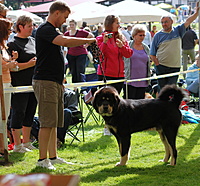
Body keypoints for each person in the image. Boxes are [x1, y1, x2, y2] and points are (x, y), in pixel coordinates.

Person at [32, 1, 96, 170]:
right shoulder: (45, 29)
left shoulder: (52, 30)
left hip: (54, 82)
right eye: (65, 17)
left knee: (53, 122)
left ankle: (53, 157)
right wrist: (88, 39)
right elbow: (66, 42)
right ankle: (41, 160)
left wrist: (60, 80)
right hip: (45, 81)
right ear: (57, 13)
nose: (65, 21)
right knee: (46, 122)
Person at [150, 2, 199, 91]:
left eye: (166, 22)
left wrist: (196, 12)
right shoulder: (157, 35)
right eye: (162, 22)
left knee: (171, 91)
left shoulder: (178, 30)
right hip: (161, 67)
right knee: (162, 91)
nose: (164, 24)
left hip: (175, 67)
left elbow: (188, 21)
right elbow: (152, 54)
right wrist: (158, 65)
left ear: (172, 21)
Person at [7, 15, 38, 153]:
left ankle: (26, 142)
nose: (32, 28)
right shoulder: (12, 43)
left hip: (33, 82)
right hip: (19, 84)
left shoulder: (33, 41)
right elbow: (11, 65)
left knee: (30, 111)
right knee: (18, 112)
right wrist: (29, 64)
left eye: (32, 26)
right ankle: (17, 145)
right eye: (29, 26)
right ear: (21, 27)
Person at [96, 15, 133, 94]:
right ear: (110, 24)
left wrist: (122, 47)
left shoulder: (121, 37)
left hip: (119, 75)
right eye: (117, 23)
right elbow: (98, 55)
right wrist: (104, 43)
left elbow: (128, 54)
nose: (119, 25)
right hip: (105, 75)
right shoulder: (100, 38)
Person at [0, 18, 18, 156]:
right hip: (2, 85)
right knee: (1, 116)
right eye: (9, 29)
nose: (11, 32)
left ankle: (4, 147)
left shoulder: (3, 47)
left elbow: (5, 65)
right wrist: (8, 65)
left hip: (7, 83)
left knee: (5, 117)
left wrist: (12, 61)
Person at [124, 24, 151, 99]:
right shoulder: (128, 46)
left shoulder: (146, 48)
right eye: (140, 35)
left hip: (143, 79)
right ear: (134, 35)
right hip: (130, 79)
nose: (142, 37)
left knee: (140, 103)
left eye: (143, 35)